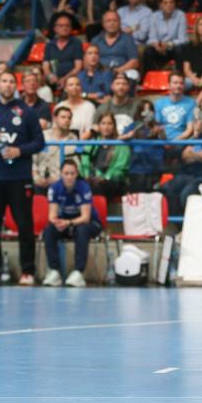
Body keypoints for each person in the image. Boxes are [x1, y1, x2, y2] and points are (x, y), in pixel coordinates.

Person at [0, 72, 44, 286]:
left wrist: (19, 151)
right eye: (4, 81)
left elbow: (39, 142)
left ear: (17, 86)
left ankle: (28, 271)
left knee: (24, 224)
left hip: (19, 177)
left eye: (11, 81)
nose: (7, 85)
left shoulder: (26, 112)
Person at [41, 160, 103, 288]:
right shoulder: (54, 188)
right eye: (66, 173)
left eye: (72, 173)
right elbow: (51, 216)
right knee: (49, 230)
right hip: (66, 223)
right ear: (61, 174)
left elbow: (85, 217)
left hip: (89, 223)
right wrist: (58, 222)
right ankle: (54, 271)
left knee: (82, 229)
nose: (69, 177)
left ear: (76, 174)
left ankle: (78, 272)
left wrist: (68, 222)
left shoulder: (84, 187)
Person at [80, 112, 129, 203]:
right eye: (103, 123)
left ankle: (97, 213)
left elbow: (120, 168)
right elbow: (84, 162)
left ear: (114, 126)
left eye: (109, 124)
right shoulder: (92, 142)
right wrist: (87, 176)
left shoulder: (121, 145)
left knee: (100, 186)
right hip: (92, 178)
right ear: (99, 125)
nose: (106, 127)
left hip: (112, 180)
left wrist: (105, 177)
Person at [121, 100, 165, 192]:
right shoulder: (134, 126)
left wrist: (161, 133)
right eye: (144, 110)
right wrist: (130, 135)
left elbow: (166, 142)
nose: (147, 113)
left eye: (150, 110)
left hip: (154, 168)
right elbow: (120, 137)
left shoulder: (158, 126)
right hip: (137, 168)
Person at [33, 106, 79, 192]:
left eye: (69, 118)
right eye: (63, 117)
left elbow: (75, 165)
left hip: (63, 182)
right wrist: (36, 178)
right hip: (39, 181)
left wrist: (59, 178)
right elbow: (33, 161)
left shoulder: (74, 139)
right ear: (55, 118)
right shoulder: (43, 136)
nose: (67, 120)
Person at [143, 0, 188, 70]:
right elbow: (151, 38)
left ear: (175, 4)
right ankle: (150, 77)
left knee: (179, 49)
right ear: (160, 5)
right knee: (148, 51)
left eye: (171, 2)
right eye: (165, 2)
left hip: (173, 48)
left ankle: (180, 76)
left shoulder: (180, 15)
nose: (169, 5)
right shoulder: (154, 16)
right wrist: (156, 45)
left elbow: (183, 39)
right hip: (159, 48)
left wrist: (168, 44)